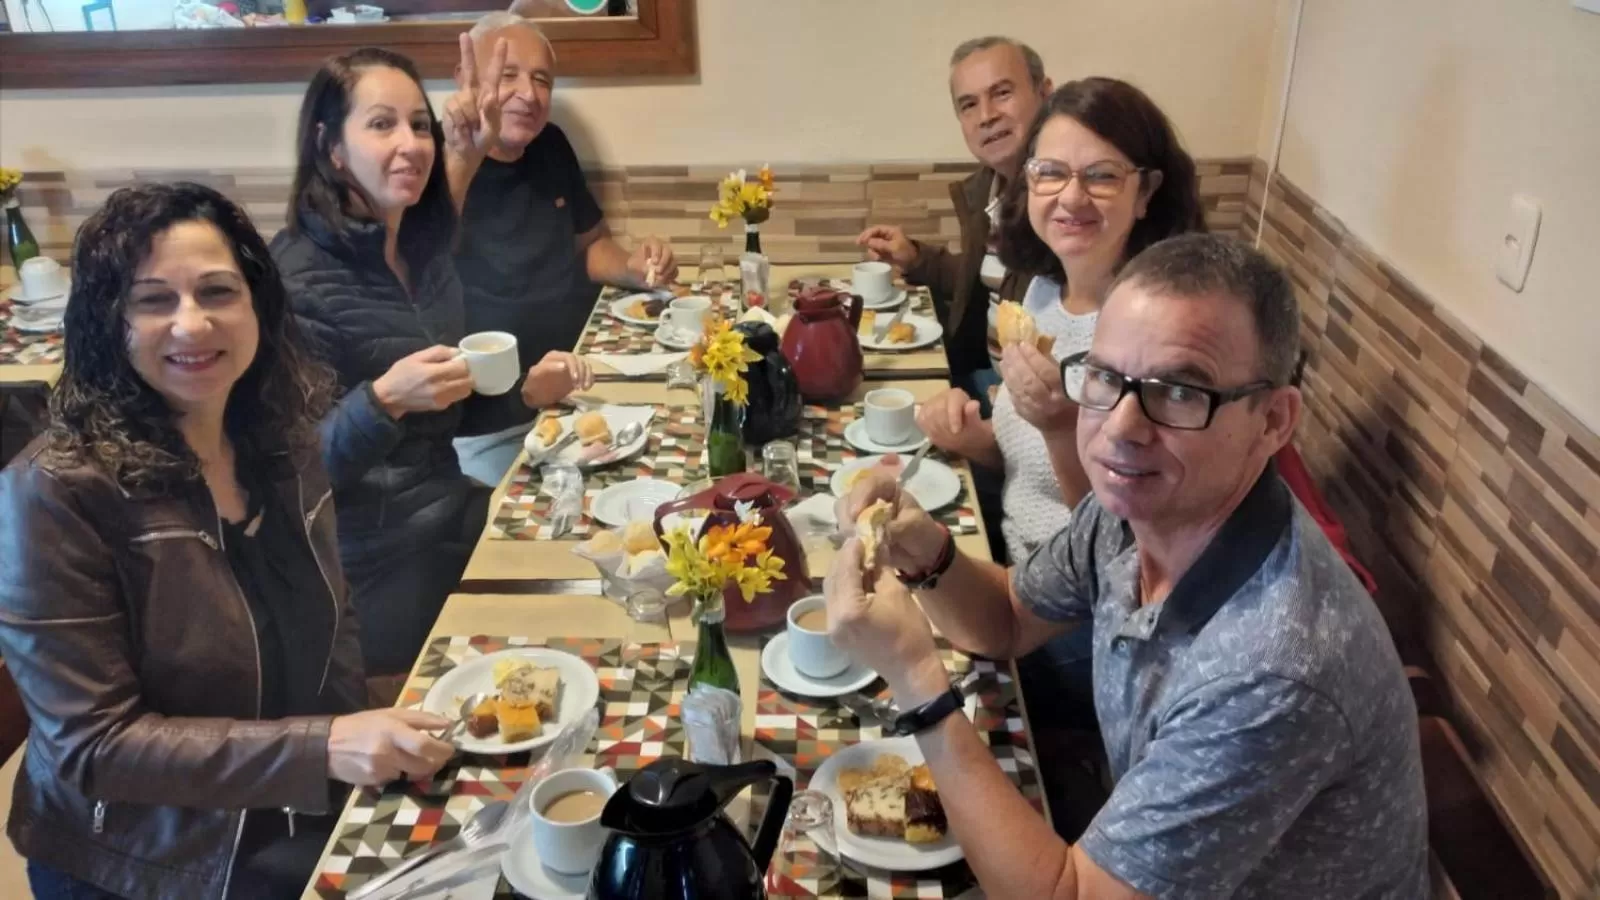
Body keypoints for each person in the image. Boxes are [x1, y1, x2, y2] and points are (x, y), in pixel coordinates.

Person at [825, 234, 1428, 899]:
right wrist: (927, 553)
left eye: (1179, 392)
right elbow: (1007, 621)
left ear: (1272, 421)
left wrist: (918, 681)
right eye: (1105, 377)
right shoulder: (1138, 509)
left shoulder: (1273, 667)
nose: (1121, 427)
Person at [0, 182, 454, 900]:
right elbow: (94, 747)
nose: (193, 323)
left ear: (257, 305)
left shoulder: (280, 439)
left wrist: (349, 742)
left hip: (297, 800)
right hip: (154, 858)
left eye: (217, 291)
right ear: (108, 321)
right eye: (153, 301)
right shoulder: (52, 492)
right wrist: (324, 747)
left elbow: (335, 617)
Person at [269, 45, 580, 690]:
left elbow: (448, 403)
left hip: (448, 512)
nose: (410, 144)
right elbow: (286, 476)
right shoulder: (297, 280)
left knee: (583, 563)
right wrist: (382, 400)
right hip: (368, 567)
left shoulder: (423, 251)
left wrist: (526, 392)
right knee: (537, 658)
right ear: (331, 147)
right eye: (381, 124)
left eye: (418, 124)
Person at [920, 77, 1204, 565]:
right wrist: (974, 440)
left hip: (1079, 600)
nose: (1071, 198)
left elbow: (1130, 545)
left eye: (1102, 176)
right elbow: (1032, 471)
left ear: (1146, 191)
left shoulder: (1162, 338)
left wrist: (1060, 427)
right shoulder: (1043, 292)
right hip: (1015, 561)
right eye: (1050, 172)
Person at [451, 11, 676, 485]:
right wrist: (461, 159)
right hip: (490, 428)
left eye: (542, 80)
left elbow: (590, 245)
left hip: (576, 391)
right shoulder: (436, 166)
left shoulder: (550, 144)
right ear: (464, 78)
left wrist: (634, 267)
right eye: (507, 75)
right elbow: (417, 270)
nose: (529, 94)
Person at [857, 36, 1053, 402]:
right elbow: (992, 277)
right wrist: (916, 258)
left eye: (1002, 93)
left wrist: (997, 424)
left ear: (1045, 94)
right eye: (969, 104)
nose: (986, 116)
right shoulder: (989, 190)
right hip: (985, 381)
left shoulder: (1063, 202)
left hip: (1028, 406)